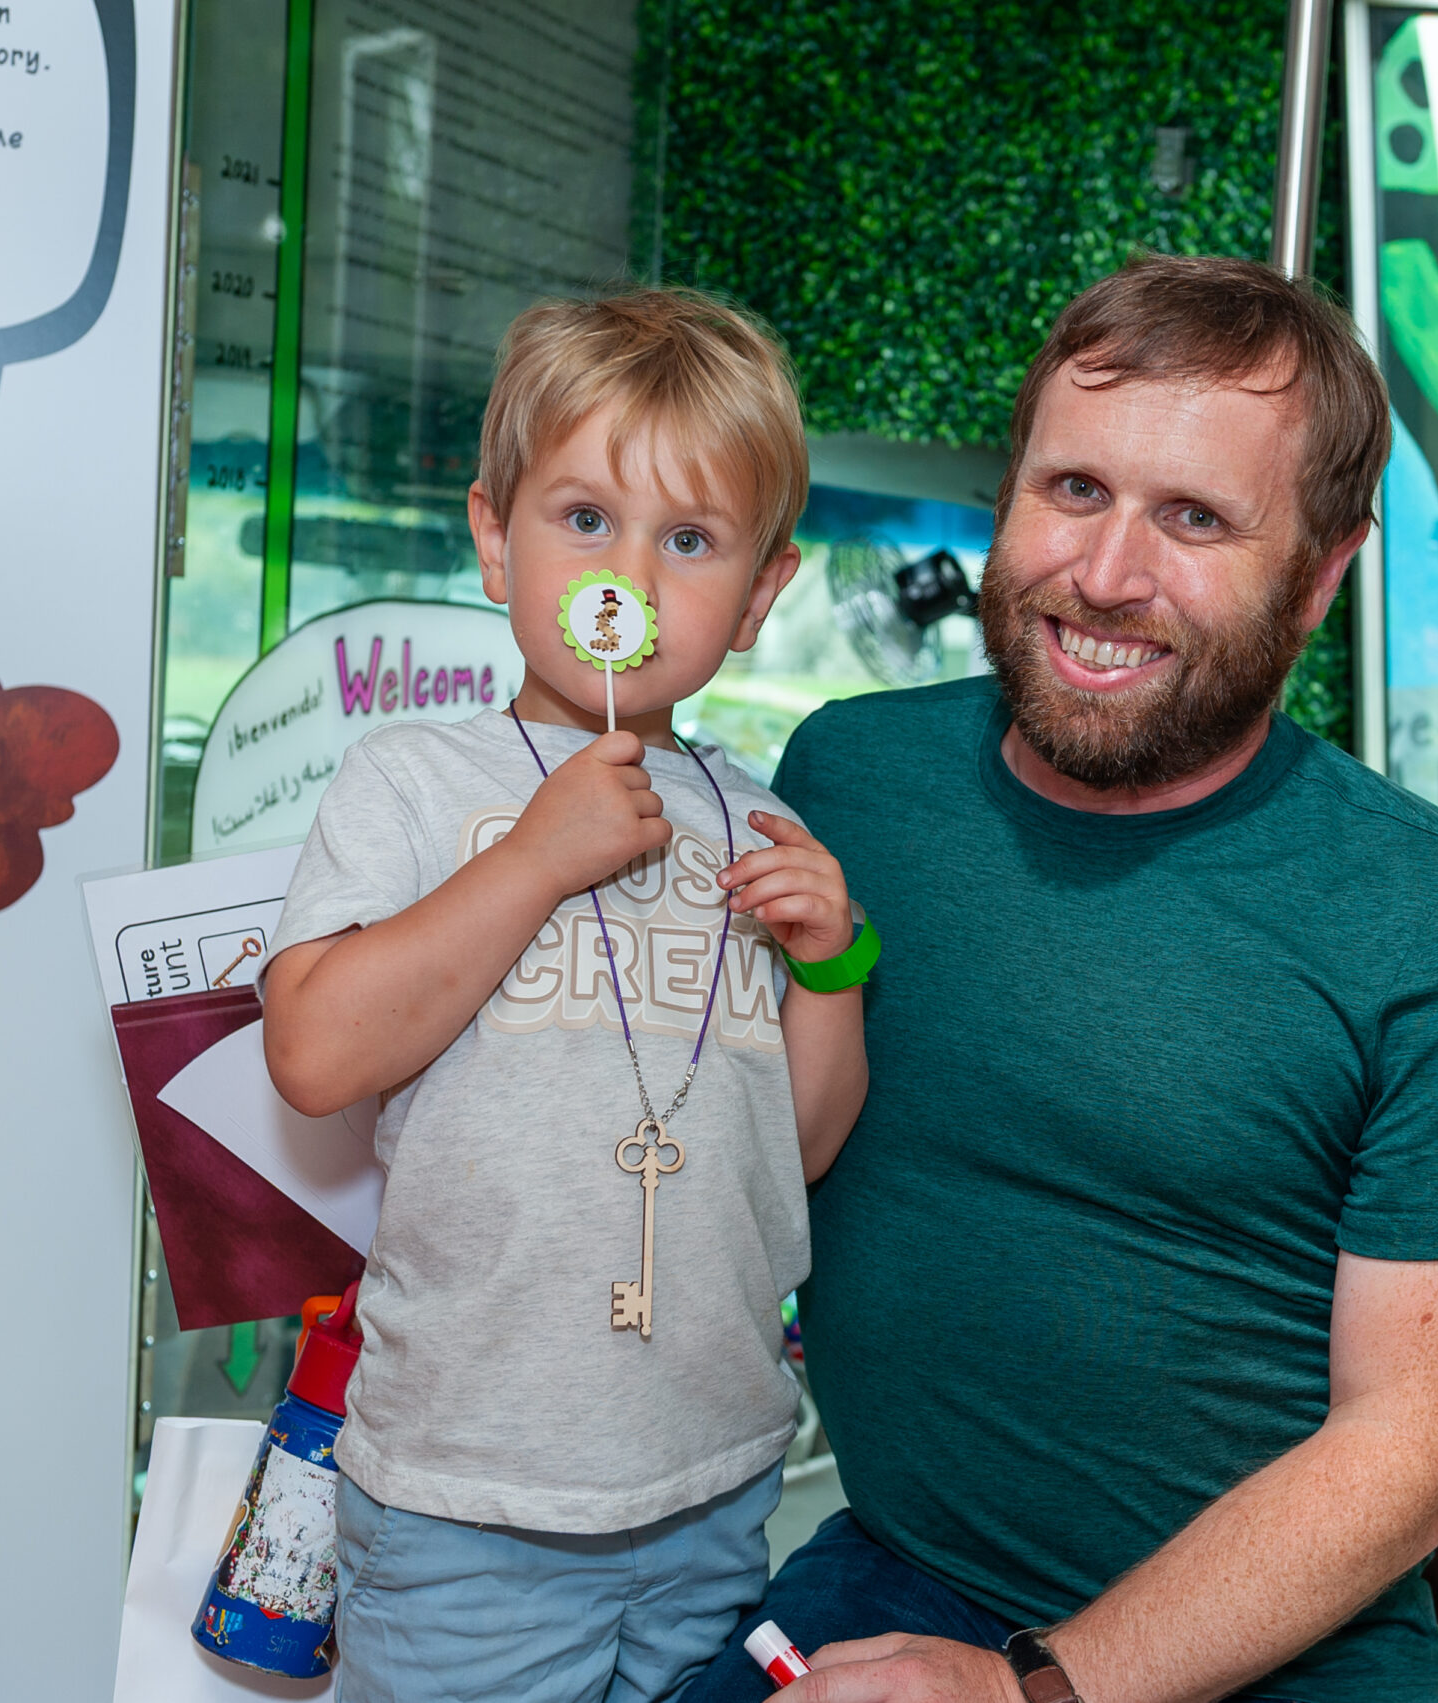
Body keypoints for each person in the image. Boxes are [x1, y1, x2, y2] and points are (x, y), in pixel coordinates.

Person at [688, 254, 1438, 1703]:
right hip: (897, 1568)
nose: (1106, 576)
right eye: (1075, 490)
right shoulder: (851, 779)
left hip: (1279, 1658)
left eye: (1195, 518)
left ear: (1321, 574)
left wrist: (1033, 1688)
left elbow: (1415, 1454)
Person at [260, 288, 873, 1703]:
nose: (632, 576)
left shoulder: (761, 824)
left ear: (761, 594)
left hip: (712, 1487)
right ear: (496, 538)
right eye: (586, 519)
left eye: (690, 541)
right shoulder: (412, 781)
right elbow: (313, 1051)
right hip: (464, 1499)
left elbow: (800, 1149)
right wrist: (535, 859)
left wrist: (832, 968)